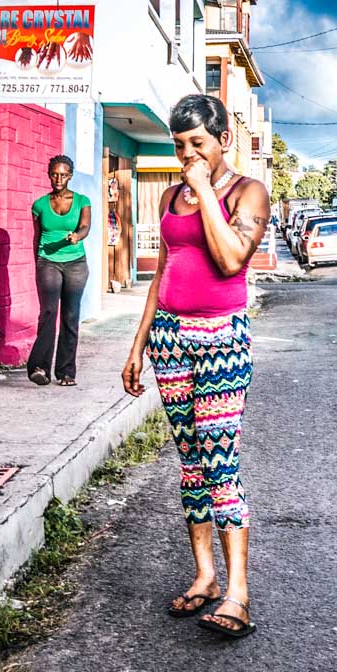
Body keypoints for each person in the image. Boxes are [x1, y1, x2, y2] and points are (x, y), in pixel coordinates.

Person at [123, 94, 269, 639]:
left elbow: (232, 257)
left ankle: (239, 594)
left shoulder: (246, 191)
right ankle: (205, 576)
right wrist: (138, 345)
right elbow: (161, 277)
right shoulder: (168, 195)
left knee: (220, 462)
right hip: (170, 339)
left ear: (222, 140)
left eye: (197, 145)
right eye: (179, 146)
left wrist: (206, 188)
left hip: (220, 341)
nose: (187, 155)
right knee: (190, 464)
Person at [28, 155, 91, 387]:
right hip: (48, 262)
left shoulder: (83, 201)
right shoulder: (40, 205)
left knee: (71, 317)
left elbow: (85, 226)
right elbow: (36, 236)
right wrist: (36, 261)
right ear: (49, 174)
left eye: (64, 174)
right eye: (55, 174)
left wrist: (77, 236)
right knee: (48, 313)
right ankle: (39, 368)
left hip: (76, 263)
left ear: (70, 176)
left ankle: (66, 372)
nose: (59, 178)